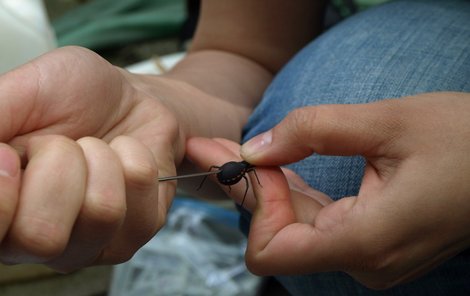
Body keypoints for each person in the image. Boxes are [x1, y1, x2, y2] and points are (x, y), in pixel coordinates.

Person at [0, 0, 469, 294]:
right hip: (237, 163)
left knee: (333, 182)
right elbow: (244, 51)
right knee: (310, 192)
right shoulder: (236, 167)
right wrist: (156, 108)